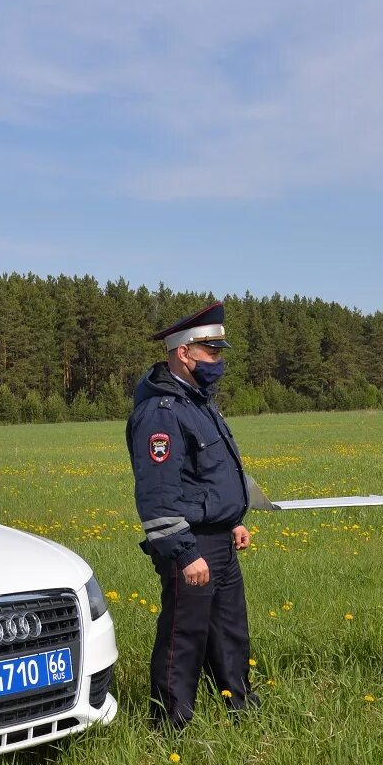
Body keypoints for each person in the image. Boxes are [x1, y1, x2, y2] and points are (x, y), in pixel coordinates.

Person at [126, 302, 256, 729]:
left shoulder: (199, 403)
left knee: (229, 633)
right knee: (184, 637)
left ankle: (239, 707)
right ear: (184, 353)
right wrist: (184, 553)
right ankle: (170, 726)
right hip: (191, 544)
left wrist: (231, 519)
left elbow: (208, 475)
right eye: (212, 353)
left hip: (217, 540)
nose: (219, 361)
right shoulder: (160, 412)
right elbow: (158, 494)